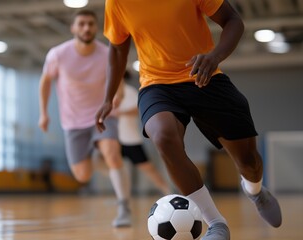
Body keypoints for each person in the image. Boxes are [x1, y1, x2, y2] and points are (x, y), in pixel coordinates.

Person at [96, 0, 282, 239]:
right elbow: (118, 47)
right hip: (157, 84)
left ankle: (254, 190)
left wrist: (215, 56)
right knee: (163, 137)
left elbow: (233, 20)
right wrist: (108, 97)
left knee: (249, 162)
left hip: (205, 75)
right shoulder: (117, 3)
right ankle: (216, 223)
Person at [38, 10, 131, 227]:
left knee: (112, 152)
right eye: (81, 24)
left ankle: (124, 207)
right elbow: (45, 81)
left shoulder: (107, 53)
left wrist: (118, 96)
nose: (86, 28)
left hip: (103, 115)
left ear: (96, 28)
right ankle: (98, 159)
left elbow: (119, 83)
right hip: (72, 121)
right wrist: (43, 113)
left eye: (90, 24)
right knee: (82, 175)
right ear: (73, 28)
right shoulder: (58, 54)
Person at [118, 71, 170, 195]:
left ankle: (167, 191)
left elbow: (137, 110)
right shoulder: (109, 94)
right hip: (114, 140)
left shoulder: (129, 92)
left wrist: (118, 112)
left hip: (130, 139)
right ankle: (122, 197)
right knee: (106, 162)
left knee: (148, 169)